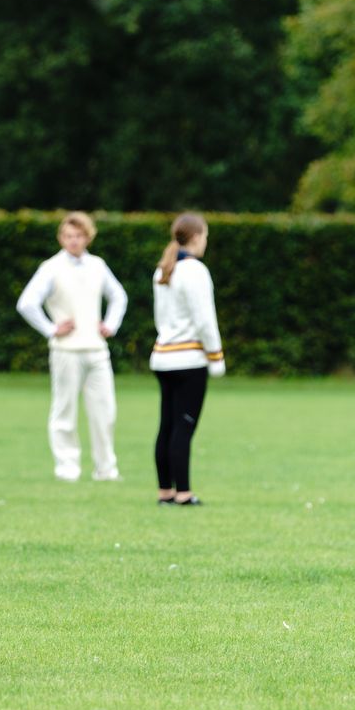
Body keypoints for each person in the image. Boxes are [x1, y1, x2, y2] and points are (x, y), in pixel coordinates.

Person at [16, 212, 127, 482]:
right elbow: (27, 303)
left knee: (105, 411)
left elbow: (118, 296)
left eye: (78, 236)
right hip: (65, 351)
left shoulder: (97, 265)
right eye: (68, 236)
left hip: (96, 350)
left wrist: (110, 325)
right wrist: (51, 329)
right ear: (61, 238)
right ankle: (67, 469)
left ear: (87, 237)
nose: (73, 241)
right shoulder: (51, 267)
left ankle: (106, 469)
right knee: (64, 410)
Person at [150, 213, 224, 506]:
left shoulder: (163, 269)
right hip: (188, 359)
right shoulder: (195, 270)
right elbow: (205, 319)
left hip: (163, 356)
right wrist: (215, 355)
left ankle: (165, 491)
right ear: (196, 237)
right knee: (184, 425)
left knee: (167, 425)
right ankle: (183, 493)